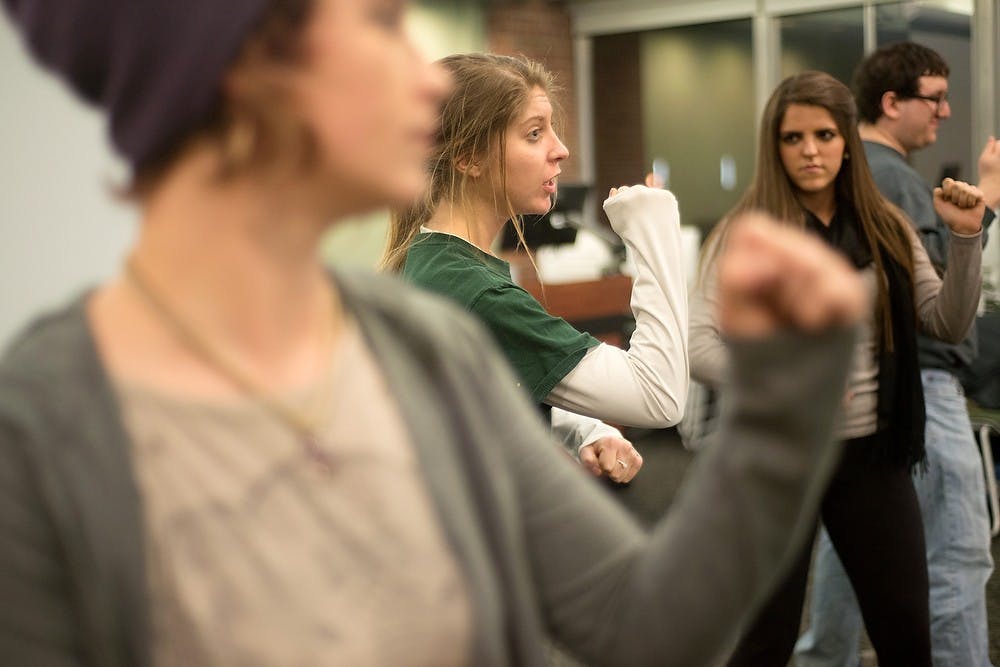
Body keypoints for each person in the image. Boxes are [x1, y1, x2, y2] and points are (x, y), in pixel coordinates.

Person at [0, 1, 874, 665]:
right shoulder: (42, 430)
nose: (425, 82)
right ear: (242, 69)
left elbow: (641, 619)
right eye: (380, 27)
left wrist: (780, 405)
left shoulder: (418, 342)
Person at [689, 70, 986, 667]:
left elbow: (946, 323)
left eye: (824, 135)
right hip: (778, 460)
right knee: (763, 640)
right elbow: (697, 345)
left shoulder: (886, 226)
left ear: (847, 140)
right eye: (792, 137)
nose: (810, 151)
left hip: (872, 458)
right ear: (774, 147)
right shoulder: (747, 234)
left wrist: (964, 239)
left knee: (905, 633)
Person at [382, 53, 688, 482]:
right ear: (469, 158)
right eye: (534, 133)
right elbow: (660, 395)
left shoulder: (435, 262)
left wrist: (580, 426)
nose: (560, 150)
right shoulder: (475, 291)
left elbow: (490, 395)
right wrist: (653, 230)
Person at [795, 42, 1000, 667]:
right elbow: (939, 314)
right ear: (891, 103)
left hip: (878, 391)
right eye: (934, 99)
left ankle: (822, 657)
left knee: (854, 545)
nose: (944, 113)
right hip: (921, 390)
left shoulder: (859, 176)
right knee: (959, 555)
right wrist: (987, 200)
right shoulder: (894, 180)